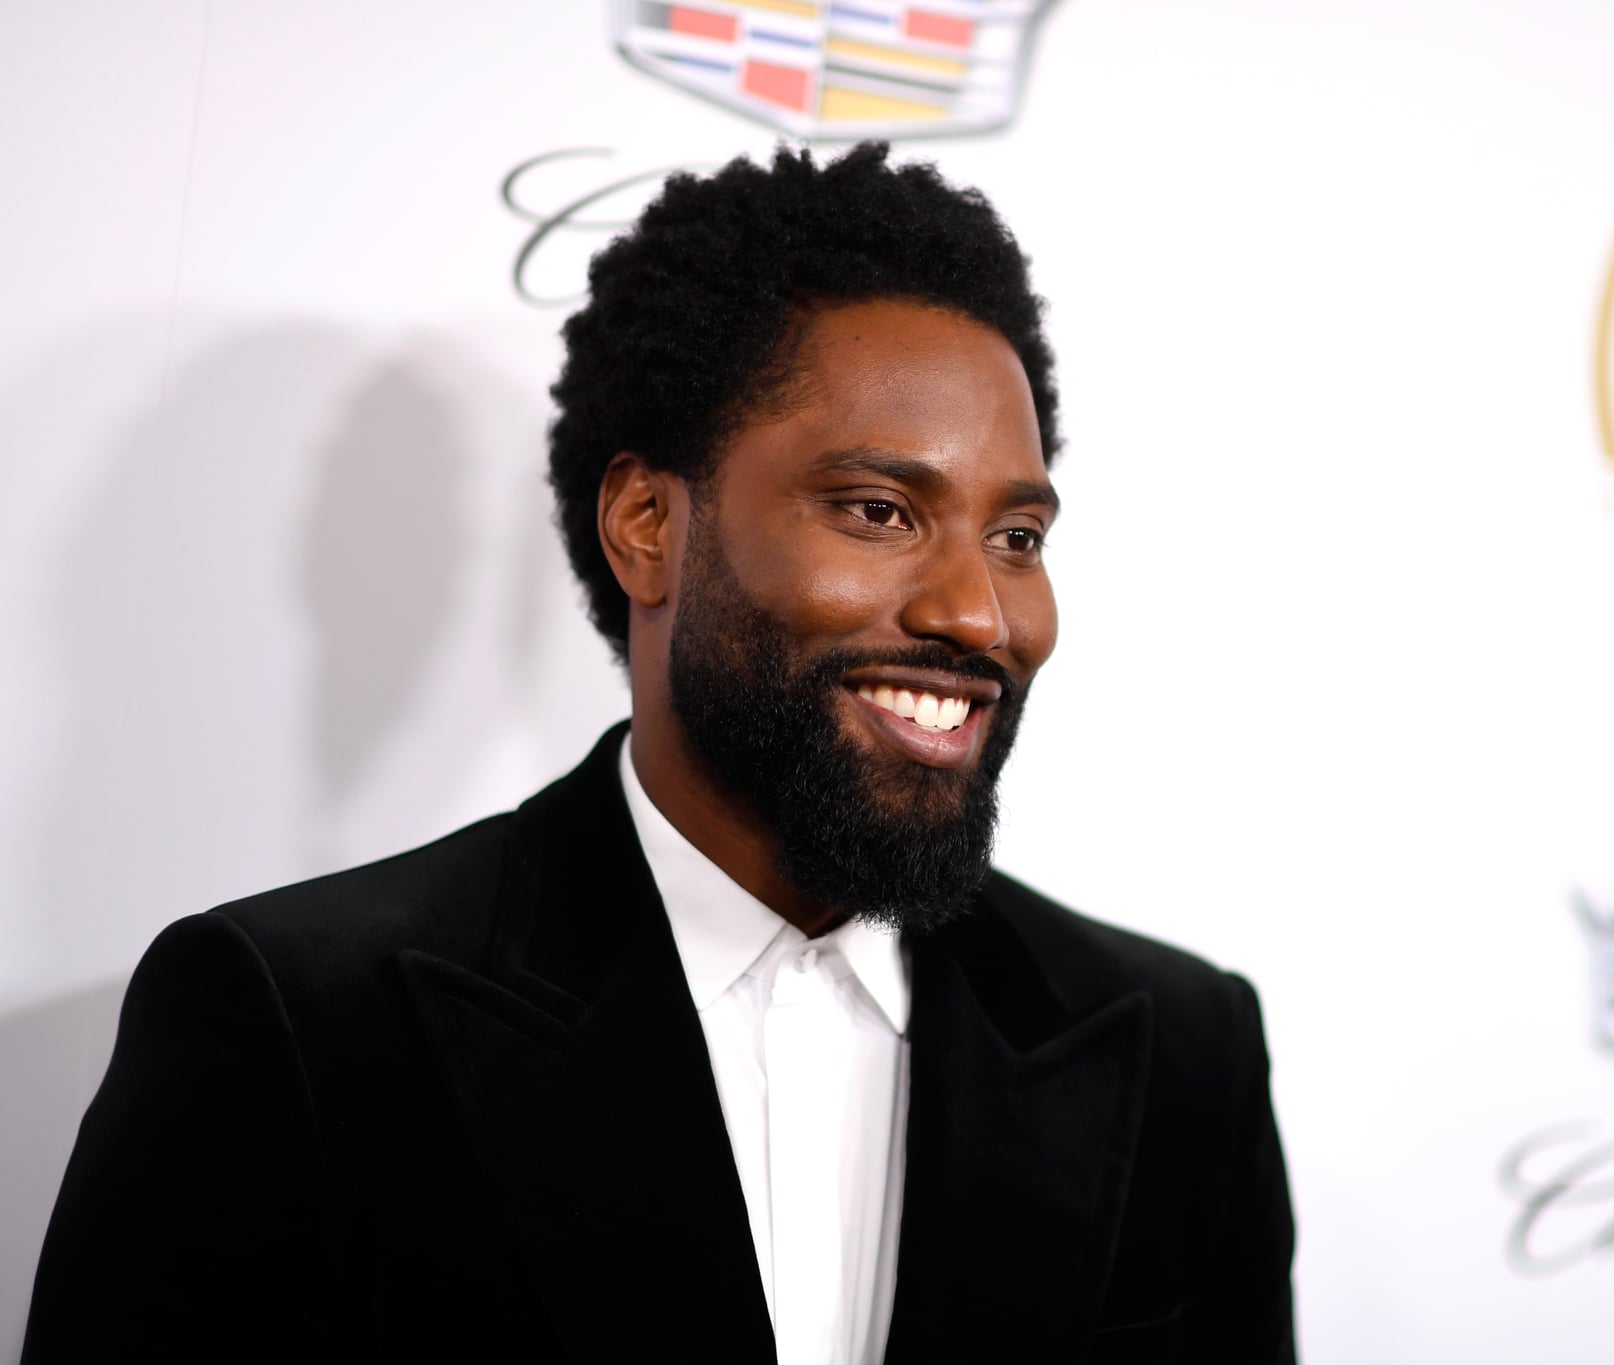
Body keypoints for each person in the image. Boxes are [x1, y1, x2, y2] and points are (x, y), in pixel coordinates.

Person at [26, 143, 1295, 1363]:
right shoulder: (300, 1025)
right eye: (878, 511)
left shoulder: (1181, 1053)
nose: (980, 614)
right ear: (647, 525)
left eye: (1016, 535)